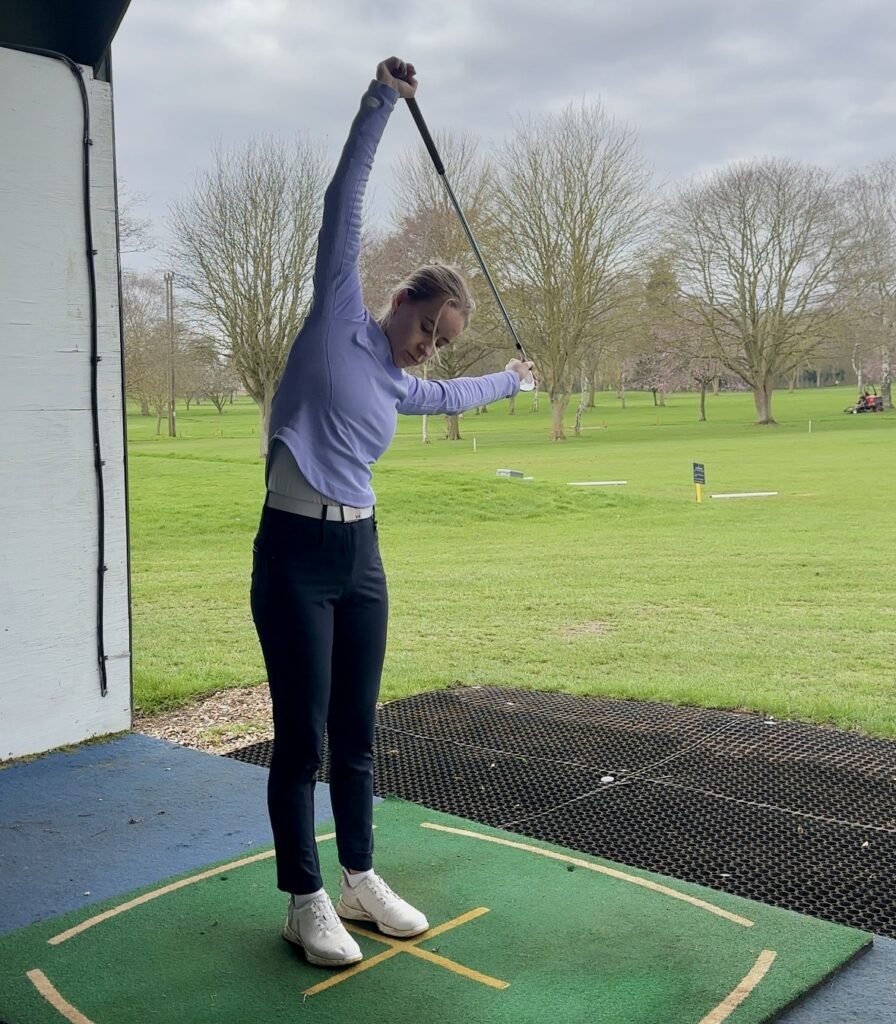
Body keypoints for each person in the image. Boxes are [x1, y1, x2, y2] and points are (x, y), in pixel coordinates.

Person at [250, 56, 534, 970]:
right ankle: (303, 898)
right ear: (404, 300)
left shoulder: (401, 384)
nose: (426, 354)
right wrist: (381, 103)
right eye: (427, 332)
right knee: (300, 736)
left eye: (442, 346)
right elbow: (345, 202)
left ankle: (360, 879)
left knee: (358, 732)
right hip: (293, 550)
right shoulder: (337, 318)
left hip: (361, 555)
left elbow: (452, 401)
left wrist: (511, 381)